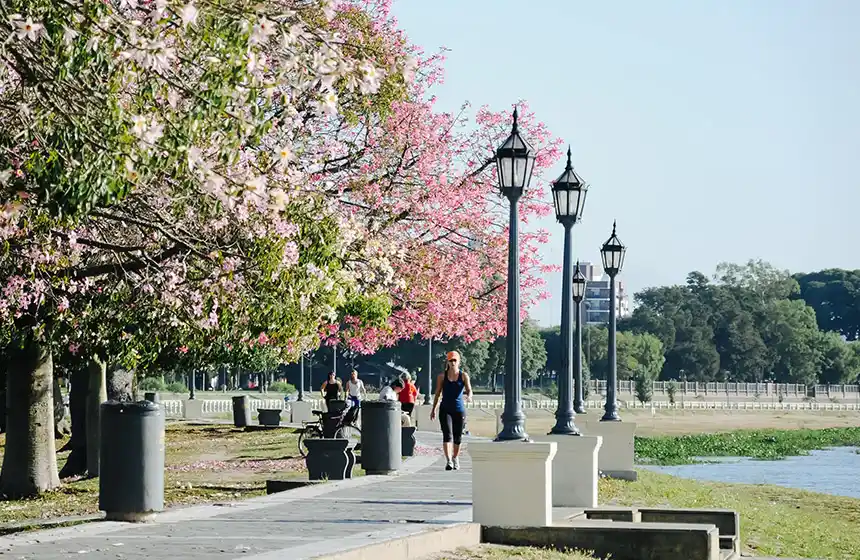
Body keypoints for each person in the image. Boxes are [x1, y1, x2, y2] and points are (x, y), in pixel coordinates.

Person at [430, 350, 472, 471]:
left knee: (458, 437)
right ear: (447, 362)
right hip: (445, 409)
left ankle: (455, 457)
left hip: (459, 409)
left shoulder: (463, 376)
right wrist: (433, 409)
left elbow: (469, 390)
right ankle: (448, 460)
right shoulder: (442, 376)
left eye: (455, 360)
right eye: (451, 360)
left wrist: (469, 396)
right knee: (447, 435)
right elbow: (437, 394)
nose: (453, 362)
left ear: (459, 362)